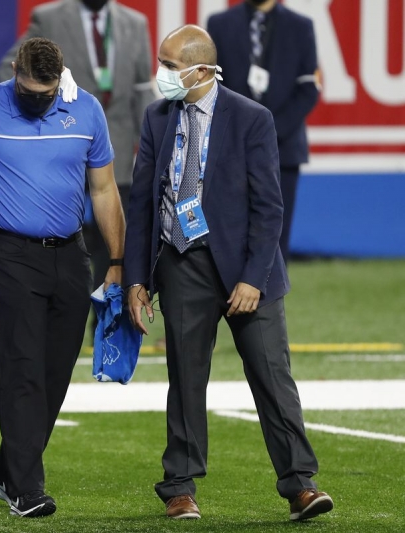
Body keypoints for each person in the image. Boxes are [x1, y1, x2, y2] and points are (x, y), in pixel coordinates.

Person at [124, 25, 333, 522]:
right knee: (185, 380)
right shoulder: (157, 117)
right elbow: (143, 203)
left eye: (170, 66)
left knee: (272, 377)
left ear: (200, 71)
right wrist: (137, 279)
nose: (161, 74)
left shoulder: (251, 118)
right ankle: (179, 488)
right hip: (182, 262)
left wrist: (254, 278)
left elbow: (269, 207)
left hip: (245, 268)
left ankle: (300, 485)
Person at [0, 37, 124, 518]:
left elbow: (103, 190)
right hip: (9, 253)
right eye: (28, 91)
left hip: (71, 255)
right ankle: (26, 489)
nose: (37, 101)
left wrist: (117, 261)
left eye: (46, 94)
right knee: (21, 369)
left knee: (55, 373)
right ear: (14, 72)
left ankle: (6, 470)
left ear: (60, 79)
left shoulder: (86, 110)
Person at [0, 0, 153, 321]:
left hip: (118, 143)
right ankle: (45, 307)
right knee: (58, 235)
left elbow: (142, 89)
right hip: (58, 145)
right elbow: (11, 67)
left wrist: (151, 144)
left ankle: (109, 317)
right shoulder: (48, 17)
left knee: (112, 238)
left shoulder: (135, 22)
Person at [207, 0, 320, 262]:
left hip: (283, 151)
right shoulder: (219, 24)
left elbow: (308, 90)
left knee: (275, 239)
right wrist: (239, 133)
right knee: (228, 239)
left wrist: (265, 132)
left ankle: (273, 291)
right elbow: (210, 86)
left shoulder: (301, 26)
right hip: (230, 150)